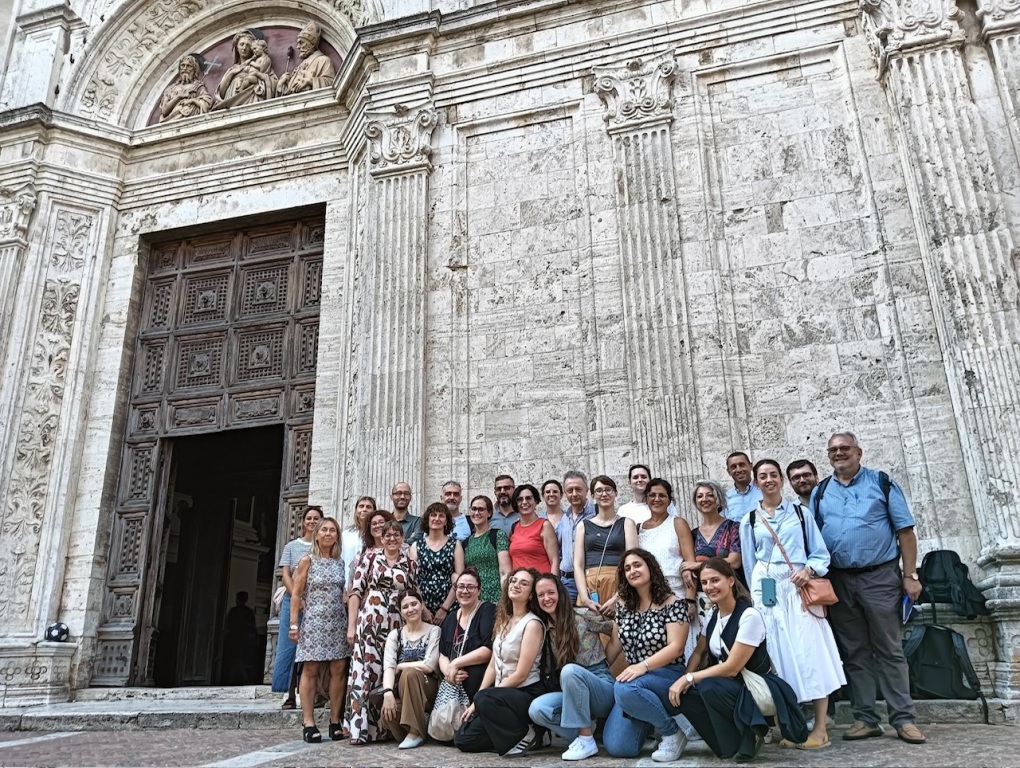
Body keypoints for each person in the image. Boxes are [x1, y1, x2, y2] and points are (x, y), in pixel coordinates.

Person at [813, 431, 926, 745]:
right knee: (855, 652)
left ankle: (903, 719)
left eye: (845, 448)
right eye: (833, 449)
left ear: (858, 452)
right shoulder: (821, 491)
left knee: (889, 649)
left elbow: (905, 532)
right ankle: (866, 719)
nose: (839, 453)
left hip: (880, 577)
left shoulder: (881, 483)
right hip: (839, 580)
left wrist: (910, 574)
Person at [740, 459, 845, 749]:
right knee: (777, 656)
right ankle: (792, 726)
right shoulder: (748, 519)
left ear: (781, 480)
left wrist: (808, 570)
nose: (769, 480)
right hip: (768, 594)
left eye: (774, 474)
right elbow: (750, 564)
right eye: (763, 476)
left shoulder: (800, 513)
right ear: (756, 482)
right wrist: (758, 595)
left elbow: (820, 553)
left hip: (798, 589)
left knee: (810, 652)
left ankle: (821, 727)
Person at [669, 558, 808, 762]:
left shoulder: (748, 616)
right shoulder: (712, 615)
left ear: (731, 581)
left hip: (751, 687)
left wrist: (689, 678)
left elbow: (732, 668)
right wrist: (684, 679)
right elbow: (699, 652)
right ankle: (731, 740)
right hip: (728, 687)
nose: (709, 587)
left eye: (715, 580)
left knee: (707, 686)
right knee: (686, 697)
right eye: (705, 583)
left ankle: (752, 731)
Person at [454, 567, 548, 756]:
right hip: (501, 695)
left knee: (484, 698)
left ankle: (527, 732)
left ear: (531, 595)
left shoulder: (532, 624)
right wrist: (476, 703)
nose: (516, 585)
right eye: (514, 580)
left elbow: (521, 674)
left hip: (525, 692)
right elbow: (492, 665)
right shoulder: (503, 620)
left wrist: (485, 697)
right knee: (463, 739)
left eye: (524, 583)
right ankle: (516, 737)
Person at [607, 548, 690, 762]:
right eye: (627, 568)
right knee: (619, 747)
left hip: (666, 674)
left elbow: (676, 648)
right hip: (635, 680)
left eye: (637, 565)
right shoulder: (624, 606)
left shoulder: (673, 603)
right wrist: (595, 668)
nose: (632, 571)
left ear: (650, 568)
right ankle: (652, 723)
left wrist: (642, 666)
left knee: (624, 687)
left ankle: (672, 732)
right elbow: (616, 645)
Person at [528, 574, 621, 761]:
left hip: (600, 686)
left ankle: (586, 739)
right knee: (537, 709)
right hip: (572, 690)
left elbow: (616, 628)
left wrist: (607, 659)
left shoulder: (582, 616)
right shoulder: (544, 627)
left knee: (570, 670)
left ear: (560, 593)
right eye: (541, 595)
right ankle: (586, 731)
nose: (546, 598)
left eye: (551, 592)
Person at [345, 520, 417, 744]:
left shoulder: (410, 563)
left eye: (397, 535)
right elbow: (355, 592)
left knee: (389, 669)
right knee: (366, 671)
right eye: (388, 535)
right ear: (382, 538)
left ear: (402, 538)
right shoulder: (369, 558)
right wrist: (351, 625)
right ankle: (361, 729)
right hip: (370, 622)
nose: (392, 539)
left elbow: (414, 593)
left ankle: (386, 729)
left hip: (397, 623)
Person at [289, 517, 352, 743]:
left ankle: (335, 720)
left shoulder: (339, 563)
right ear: (315, 534)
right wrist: (294, 623)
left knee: (338, 668)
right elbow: (296, 593)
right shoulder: (307, 561)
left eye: (332, 530)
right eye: (324, 530)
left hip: (337, 621)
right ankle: (308, 722)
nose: (328, 534)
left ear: (337, 536)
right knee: (311, 669)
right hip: (314, 621)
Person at [638, 478, 698, 657]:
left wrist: (690, 600)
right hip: (649, 598)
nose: (657, 499)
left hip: (676, 593)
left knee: (681, 649)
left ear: (669, 500)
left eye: (662, 495)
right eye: (652, 495)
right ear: (646, 499)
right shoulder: (638, 528)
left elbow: (689, 563)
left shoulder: (677, 523)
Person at [379, 590, 441, 749]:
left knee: (410, 673)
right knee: (389, 713)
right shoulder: (395, 635)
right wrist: (388, 693)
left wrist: (401, 666)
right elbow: (388, 668)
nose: (411, 609)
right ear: (401, 612)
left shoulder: (434, 631)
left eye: (414, 604)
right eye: (405, 606)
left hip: (428, 688)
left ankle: (415, 733)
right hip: (404, 691)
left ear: (422, 606)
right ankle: (420, 730)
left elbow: (428, 666)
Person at [274, 505, 322, 707]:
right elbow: (285, 574)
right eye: (309, 518)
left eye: (316, 518)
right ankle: (288, 691)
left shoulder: (324, 546)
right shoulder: (292, 546)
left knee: (312, 648)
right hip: (292, 599)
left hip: (317, 601)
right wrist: (297, 596)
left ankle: (309, 692)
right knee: (289, 646)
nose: (312, 521)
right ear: (303, 522)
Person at [682, 480, 742, 626]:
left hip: (730, 593)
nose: (704, 499)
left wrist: (698, 565)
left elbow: (734, 561)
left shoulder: (733, 528)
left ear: (718, 499)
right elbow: (687, 567)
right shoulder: (693, 534)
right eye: (700, 496)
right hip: (702, 596)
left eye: (709, 495)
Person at [574, 475, 637, 615]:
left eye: (608, 489)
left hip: (619, 586)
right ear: (592, 496)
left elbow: (633, 562)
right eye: (599, 491)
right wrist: (584, 598)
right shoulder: (582, 526)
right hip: (589, 587)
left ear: (616, 493)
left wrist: (618, 597)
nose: (604, 494)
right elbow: (578, 565)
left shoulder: (627, 524)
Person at [438, 568, 497, 705]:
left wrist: (456, 663)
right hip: (452, 691)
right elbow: (442, 654)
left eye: (470, 587)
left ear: (479, 591)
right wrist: (449, 672)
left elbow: (488, 650)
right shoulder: (451, 618)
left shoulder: (487, 610)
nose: (465, 591)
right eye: (461, 587)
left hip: (480, 689)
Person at [410, 502, 464, 623]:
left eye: (441, 516)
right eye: (433, 515)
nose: (437, 519)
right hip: (423, 604)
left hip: (449, 605)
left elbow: (459, 579)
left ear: (446, 521)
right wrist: (422, 608)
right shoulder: (416, 546)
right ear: (427, 519)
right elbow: (412, 579)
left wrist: (444, 609)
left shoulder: (455, 544)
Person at [463, 495, 511, 604]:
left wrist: (505, 599)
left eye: (481, 509)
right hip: (473, 598)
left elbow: (505, 572)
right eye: (474, 509)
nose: (476, 513)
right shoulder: (466, 543)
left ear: (489, 513)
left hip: (496, 598)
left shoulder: (498, 535)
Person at [214, 28, 277, 109]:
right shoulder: (232, 69)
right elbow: (221, 93)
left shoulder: (260, 63)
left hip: (252, 98)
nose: (244, 48)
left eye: (248, 45)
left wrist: (259, 77)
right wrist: (232, 73)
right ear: (237, 47)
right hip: (231, 98)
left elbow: (272, 81)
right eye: (242, 44)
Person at [557, 471, 596, 601]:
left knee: (597, 619)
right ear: (565, 493)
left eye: (578, 489)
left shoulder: (597, 513)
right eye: (570, 490)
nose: (574, 494)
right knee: (567, 620)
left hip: (591, 580)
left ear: (587, 490)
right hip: (567, 582)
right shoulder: (563, 519)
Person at [508, 484, 559, 575]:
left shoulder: (544, 525)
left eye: (528, 498)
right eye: (520, 499)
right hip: (521, 585)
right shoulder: (514, 527)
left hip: (540, 584)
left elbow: (554, 560)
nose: (524, 502)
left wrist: (554, 584)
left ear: (536, 501)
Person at [275, 20, 336, 96]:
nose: (298, 47)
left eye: (301, 42)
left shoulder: (323, 60)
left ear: (311, 44)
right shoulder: (301, 65)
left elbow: (330, 83)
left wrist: (310, 81)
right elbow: (290, 93)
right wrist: (282, 84)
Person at [159, 53, 213, 122]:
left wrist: (192, 100)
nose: (185, 68)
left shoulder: (198, 86)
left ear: (194, 70)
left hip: (189, 120)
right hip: (171, 121)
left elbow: (207, 104)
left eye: (189, 66)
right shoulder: (170, 89)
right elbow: (164, 111)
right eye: (182, 65)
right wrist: (178, 96)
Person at [340, 496, 376, 588]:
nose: (364, 509)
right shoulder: (346, 534)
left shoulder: (378, 534)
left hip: (371, 583)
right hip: (348, 583)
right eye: (361, 506)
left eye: (368, 507)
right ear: (356, 511)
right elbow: (341, 560)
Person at [223, 591, 258, 684]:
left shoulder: (234, 612)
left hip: (239, 639)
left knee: (237, 660)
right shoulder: (247, 612)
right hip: (240, 639)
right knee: (237, 660)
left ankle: (237, 679)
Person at [725, 451, 763, 522]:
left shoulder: (764, 491)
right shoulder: (725, 499)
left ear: (750, 466)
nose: (738, 470)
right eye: (733, 467)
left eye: (742, 465)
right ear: (729, 471)